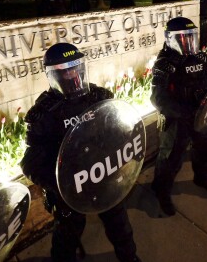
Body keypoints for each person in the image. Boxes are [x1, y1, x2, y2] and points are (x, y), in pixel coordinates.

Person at [20, 43, 140, 262]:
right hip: (70, 187)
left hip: (104, 175)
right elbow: (30, 162)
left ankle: (129, 257)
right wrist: (59, 185)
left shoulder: (99, 96)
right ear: (53, 74)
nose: (71, 73)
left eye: (74, 67)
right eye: (64, 70)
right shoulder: (45, 113)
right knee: (67, 237)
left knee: (119, 224)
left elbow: (117, 131)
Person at [150, 17, 207, 217]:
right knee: (171, 158)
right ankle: (161, 189)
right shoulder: (165, 64)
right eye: (182, 38)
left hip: (202, 114)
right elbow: (157, 98)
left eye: (190, 37)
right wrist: (182, 113)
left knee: (206, 148)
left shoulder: (203, 59)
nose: (187, 42)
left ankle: (203, 178)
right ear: (171, 39)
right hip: (177, 120)